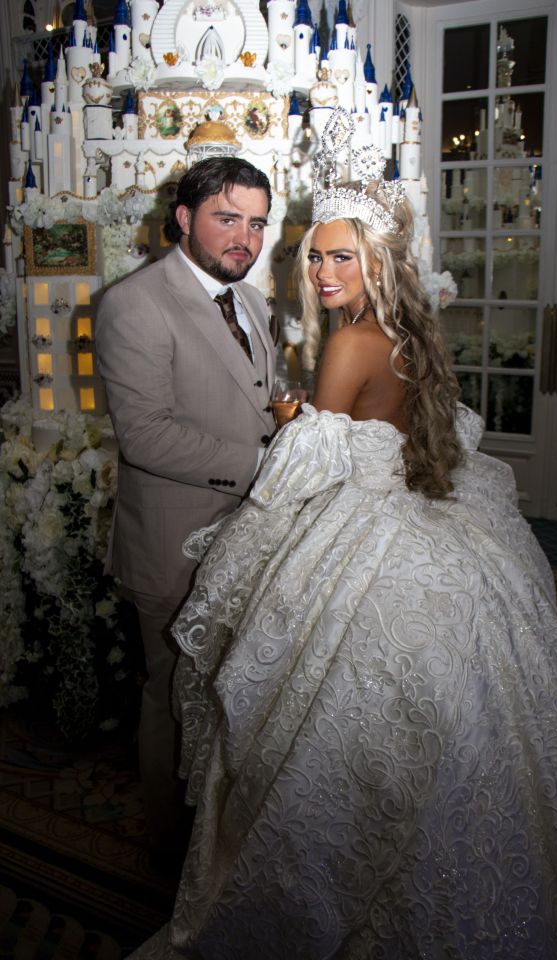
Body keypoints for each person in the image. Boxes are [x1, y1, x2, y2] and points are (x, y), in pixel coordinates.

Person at [129, 112, 557, 958]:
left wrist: (294, 422)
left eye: (342, 254)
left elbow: (305, 471)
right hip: (425, 518)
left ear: (375, 258)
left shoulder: (349, 342)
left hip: (362, 533)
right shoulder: (410, 330)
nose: (324, 271)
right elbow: (400, 431)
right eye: (316, 254)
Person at [94, 156, 277, 863]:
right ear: (183, 218)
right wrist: (268, 465)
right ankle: (168, 855)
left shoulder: (252, 301)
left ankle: (214, 838)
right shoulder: (134, 303)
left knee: (228, 695)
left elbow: (248, 402)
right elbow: (145, 436)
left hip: (246, 537)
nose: (245, 238)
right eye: (227, 218)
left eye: (256, 222)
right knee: (173, 697)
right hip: (174, 546)